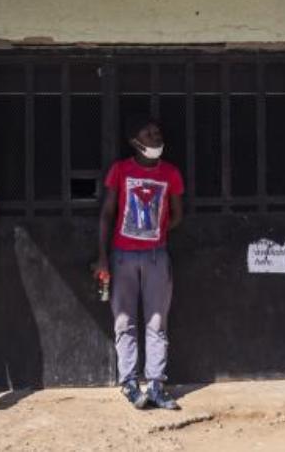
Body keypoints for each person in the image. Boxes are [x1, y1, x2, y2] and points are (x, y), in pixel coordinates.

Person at [96, 117, 185, 410]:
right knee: (124, 321)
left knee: (157, 321)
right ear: (135, 142)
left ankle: (157, 384)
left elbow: (177, 214)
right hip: (122, 257)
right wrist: (102, 256)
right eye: (148, 133)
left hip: (157, 255)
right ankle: (130, 383)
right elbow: (108, 214)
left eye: (158, 131)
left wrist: (154, 234)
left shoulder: (170, 173)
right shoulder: (120, 170)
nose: (156, 136)